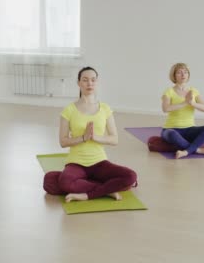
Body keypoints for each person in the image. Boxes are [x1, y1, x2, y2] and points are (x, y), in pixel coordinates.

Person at [43, 67, 137, 202]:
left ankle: (87, 193)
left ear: (97, 82)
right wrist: (83, 138)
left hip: (99, 162)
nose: (89, 84)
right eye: (85, 80)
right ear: (79, 83)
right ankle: (106, 190)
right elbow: (63, 142)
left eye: (93, 80)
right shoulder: (69, 110)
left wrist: (95, 137)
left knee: (131, 176)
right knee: (60, 181)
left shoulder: (105, 108)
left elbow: (114, 139)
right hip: (76, 163)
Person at [161, 62, 204, 159]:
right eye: (179, 72)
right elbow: (166, 109)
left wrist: (193, 104)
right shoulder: (168, 91)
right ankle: (198, 150)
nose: (183, 75)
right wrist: (185, 102)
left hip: (189, 129)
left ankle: (186, 152)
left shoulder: (193, 91)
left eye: (185, 72)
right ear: (174, 76)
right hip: (172, 129)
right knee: (171, 134)